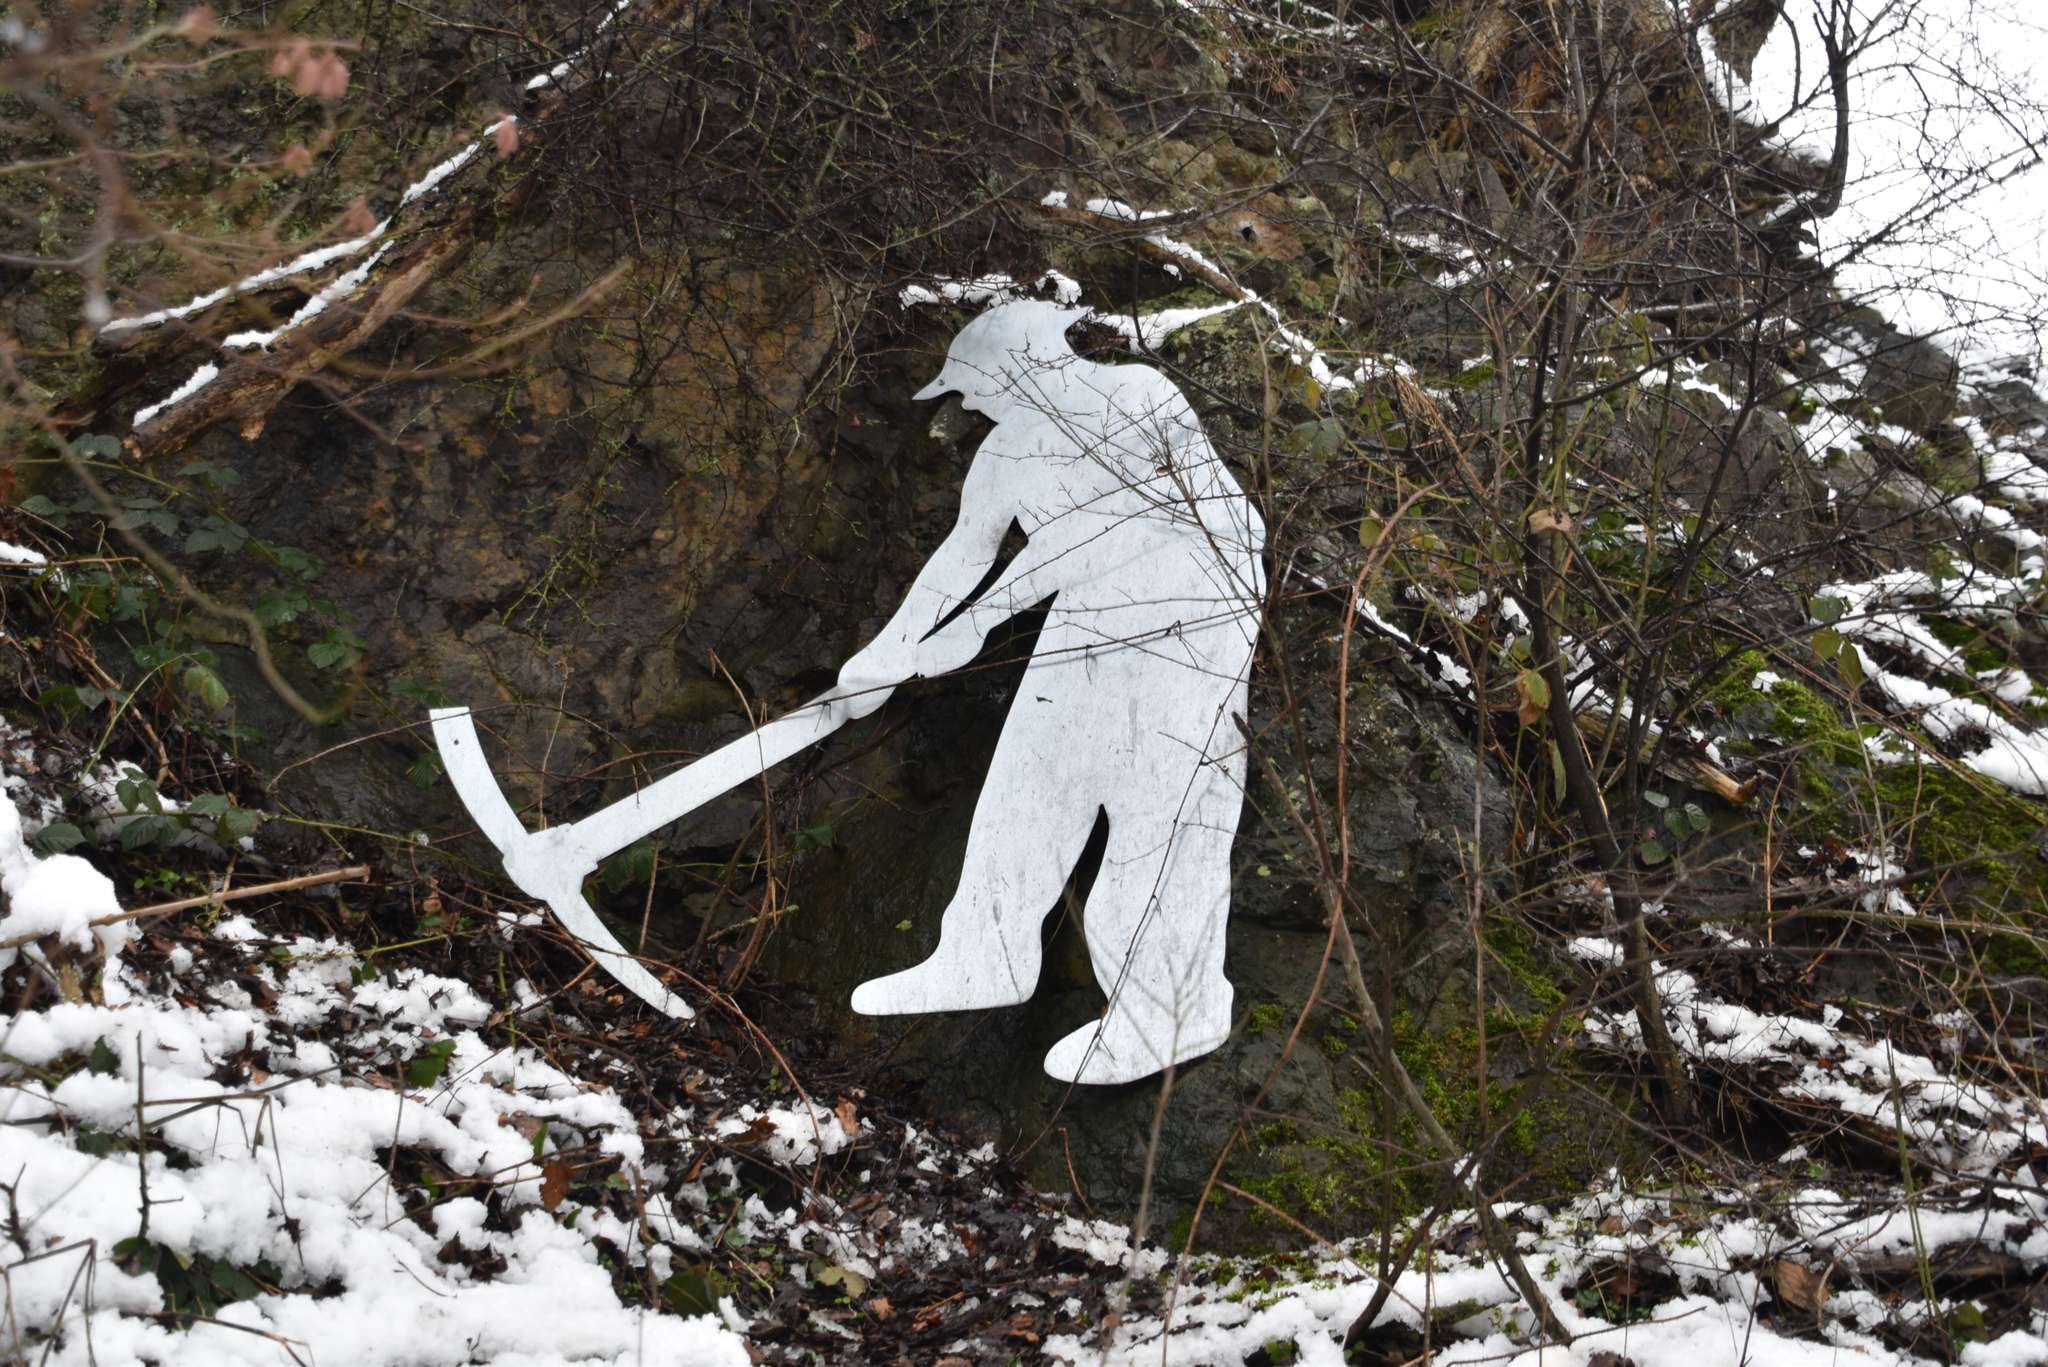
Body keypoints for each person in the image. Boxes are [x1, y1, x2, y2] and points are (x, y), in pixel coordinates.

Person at [834, 299, 1267, 1085]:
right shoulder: (1006, 450)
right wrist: (885, 655)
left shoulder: (1138, 395)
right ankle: (982, 954)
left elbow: (1111, 525)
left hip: (1198, 604)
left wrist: (983, 619)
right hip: (1093, 607)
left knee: (1159, 811)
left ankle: (1173, 1010)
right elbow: (963, 553)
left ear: (1019, 366)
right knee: (1027, 781)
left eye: (971, 385)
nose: (968, 404)